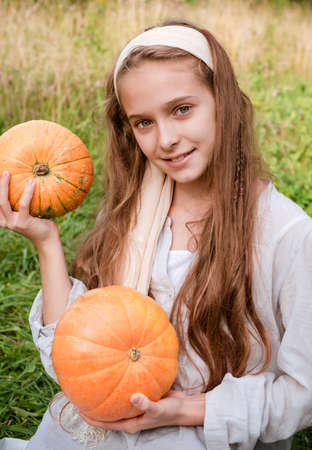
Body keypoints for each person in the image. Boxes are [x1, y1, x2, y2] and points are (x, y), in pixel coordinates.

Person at [0, 20, 311, 450]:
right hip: (109, 431)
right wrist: (46, 242)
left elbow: (304, 392)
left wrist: (183, 410)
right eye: (144, 122)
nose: (165, 139)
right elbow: (79, 363)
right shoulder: (134, 211)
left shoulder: (287, 236)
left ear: (223, 101)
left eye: (182, 109)